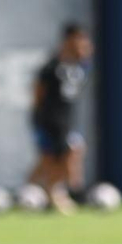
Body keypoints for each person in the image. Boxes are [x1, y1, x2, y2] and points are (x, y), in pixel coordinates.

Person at [28, 22, 94, 215]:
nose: (84, 44)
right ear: (68, 40)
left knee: (66, 155)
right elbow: (38, 94)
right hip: (49, 120)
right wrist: (39, 119)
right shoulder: (53, 66)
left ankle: (44, 192)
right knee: (53, 158)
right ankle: (53, 193)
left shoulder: (80, 67)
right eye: (79, 39)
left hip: (66, 121)